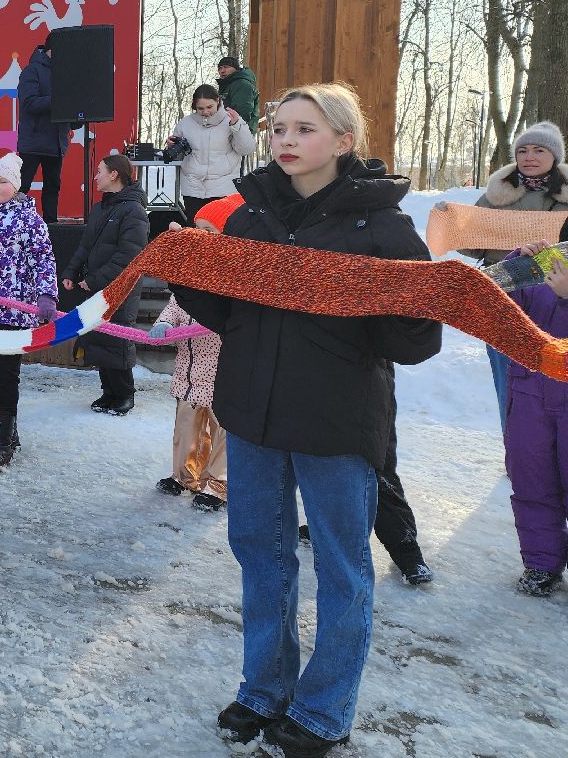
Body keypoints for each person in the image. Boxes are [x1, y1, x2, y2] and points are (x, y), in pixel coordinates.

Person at [171, 83, 441, 757]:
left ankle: (324, 709)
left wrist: (408, 305)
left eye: (305, 128)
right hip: (255, 418)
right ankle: (264, 687)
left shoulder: (382, 227)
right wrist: (186, 269)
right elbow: (229, 315)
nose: (286, 139)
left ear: (344, 142)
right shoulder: (249, 216)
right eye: (279, 127)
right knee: (262, 559)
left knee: (343, 572)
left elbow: (416, 342)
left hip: (336, 426)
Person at [459, 121, 568, 433]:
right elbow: (472, 246)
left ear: (555, 156)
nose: (528, 156)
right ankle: (516, 446)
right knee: (507, 373)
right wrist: (459, 225)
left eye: (538, 150)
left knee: (552, 373)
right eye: (522, 150)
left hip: (555, 295)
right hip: (503, 293)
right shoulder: (496, 194)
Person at [150, 194, 242, 512]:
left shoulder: (234, 276)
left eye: (210, 230)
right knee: (187, 426)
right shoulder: (193, 269)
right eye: (198, 228)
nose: (201, 236)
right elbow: (178, 304)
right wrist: (164, 324)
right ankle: (184, 475)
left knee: (221, 430)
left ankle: (217, 484)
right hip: (189, 369)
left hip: (221, 370)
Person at [0, 152, 57, 472]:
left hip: (13, 313)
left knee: (6, 375)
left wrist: (47, 295)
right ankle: (9, 431)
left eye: (2, 181)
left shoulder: (29, 220)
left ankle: (3, 440)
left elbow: (44, 260)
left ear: (16, 185)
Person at [499, 239, 568, 597]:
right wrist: (516, 265)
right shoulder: (544, 268)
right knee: (531, 481)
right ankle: (541, 563)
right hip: (530, 396)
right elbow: (495, 307)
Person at [63, 154, 149, 416]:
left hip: (121, 288)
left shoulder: (133, 210)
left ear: (114, 175)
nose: (96, 176)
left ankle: (125, 394)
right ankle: (108, 392)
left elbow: (129, 256)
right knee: (98, 336)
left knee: (118, 337)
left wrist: (94, 280)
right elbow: (86, 246)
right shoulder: (101, 208)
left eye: (100, 171)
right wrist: (71, 271)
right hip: (97, 287)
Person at [167, 84, 256, 224]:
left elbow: (247, 149)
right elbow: (178, 157)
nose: (205, 111)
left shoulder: (231, 120)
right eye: (200, 108)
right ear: (194, 106)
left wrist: (238, 126)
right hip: (193, 189)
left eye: (209, 107)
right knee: (196, 233)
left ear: (218, 101)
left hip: (223, 188)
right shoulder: (185, 124)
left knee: (221, 232)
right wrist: (172, 145)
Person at [16, 37, 70, 222]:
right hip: (33, 142)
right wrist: (59, 99)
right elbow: (29, 102)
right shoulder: (32, 71)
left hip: (56, 143)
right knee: (21, 186)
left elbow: (65, 104)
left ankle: (51, 225)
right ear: (52, 50)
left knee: (53, 186)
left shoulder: (64, 72)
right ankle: (13, 224)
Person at [217, 56, 260, 131]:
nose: (222, 71)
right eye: (220, 68)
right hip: (232, 131)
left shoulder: (241, 85)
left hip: (238, 132)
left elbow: (241, 114)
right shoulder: (229, 86)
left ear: (235, 68)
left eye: (226, 67)